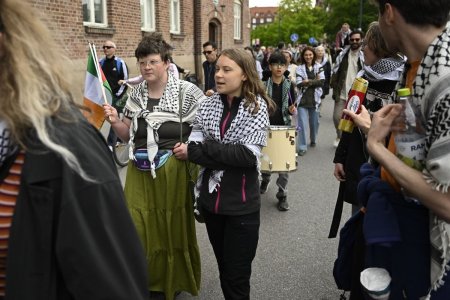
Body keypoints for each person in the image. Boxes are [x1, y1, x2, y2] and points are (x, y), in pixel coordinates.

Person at [0, 0, 148, 299]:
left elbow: (119, 85)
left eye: (108, 48)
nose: (106, 52)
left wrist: (114, 104)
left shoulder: (70, 151)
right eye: (104, 49)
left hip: (112, 105)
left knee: (109, 138)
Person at [344, 1, 450, 298]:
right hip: (399, 224)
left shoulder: (444, 75)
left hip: (426, 242)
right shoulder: (417, 63)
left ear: (389, 13)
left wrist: (376, 147)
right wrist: (373, 128)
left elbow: (447, 202)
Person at [103, 32, 206, 300]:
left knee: (171, 226)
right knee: (136, 223)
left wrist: (190, 149)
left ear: (166, 62)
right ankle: (145, 279)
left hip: (173, 169)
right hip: (139, 169)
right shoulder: (135, 94)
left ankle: (172, 280)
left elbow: (206, 130)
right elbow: (127, 134)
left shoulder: (187, 92)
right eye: (142, 62)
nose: (146, 67)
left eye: (152, 61)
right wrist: (115, 120)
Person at [176, 48, 275, 300]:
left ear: (244, 75)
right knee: (224, 270)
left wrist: (207, 148)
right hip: (212, 206)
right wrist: (211, 150)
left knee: (237, 276)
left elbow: (246, 156)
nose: (218, 75)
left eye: (227, 69)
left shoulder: (256, 107)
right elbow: (194, 150)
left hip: (242, 208)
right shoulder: (207, 105)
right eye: (217, 69)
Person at [329, 21, 405, 298]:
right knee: (357, 225)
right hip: (358, 162)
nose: (362, 52)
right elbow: (349, 120)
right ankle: (355, 282)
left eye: (366, 47)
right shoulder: (364, 75)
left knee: (380, 231)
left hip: (388, 166)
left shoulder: (402, 77)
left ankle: (373, 286)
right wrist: (340, 156)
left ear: (377, 48)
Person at [260, 53, 297, 211]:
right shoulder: (262, 85)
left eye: (282, 64)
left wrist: (291, 110)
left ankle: (282, 195)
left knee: (284, 167)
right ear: (270, 66)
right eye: (276, 64)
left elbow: (291, 107)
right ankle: (266, 178)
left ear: (286, 67)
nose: (279, 67)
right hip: (265, 127)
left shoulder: (289, 85)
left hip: (283, 129)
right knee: (266, 162)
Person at [330, 30, 364, 148]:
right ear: (349, 40)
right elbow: (336, 72)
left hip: (358, 94)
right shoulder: (343, 55)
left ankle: (349, 142)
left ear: (361, 40)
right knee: (336, 117)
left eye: (357, 39)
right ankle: (340, 136)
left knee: (355, 120)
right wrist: (334, 87)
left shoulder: (364, 55)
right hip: (342, 92)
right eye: (352, 39)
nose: (354, 42)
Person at [295, 46, 324, 156]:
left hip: (314, 100)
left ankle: (313, 139)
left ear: (313, 55)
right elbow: (298, 83)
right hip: (302, 100)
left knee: (314, 122)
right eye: (306, 55)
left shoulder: (319, 67)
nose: (308, 56)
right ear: (303, 56)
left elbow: (321, 82)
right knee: (302, 123)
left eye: (310, 54)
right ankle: (302, 146)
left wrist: (308, 81)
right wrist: (314, 81)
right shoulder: (299, 68)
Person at [100, 40, 129, 147]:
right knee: (110, 117)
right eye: (104, 47)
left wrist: (118, 94)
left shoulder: (120, 63)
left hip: (117, 96)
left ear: (114, 49)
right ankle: (119, 139)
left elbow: (125, 80)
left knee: (113, 119)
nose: (105, 49)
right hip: (105, 96)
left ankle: (110, 144)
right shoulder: (100, 63)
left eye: (108, 47)